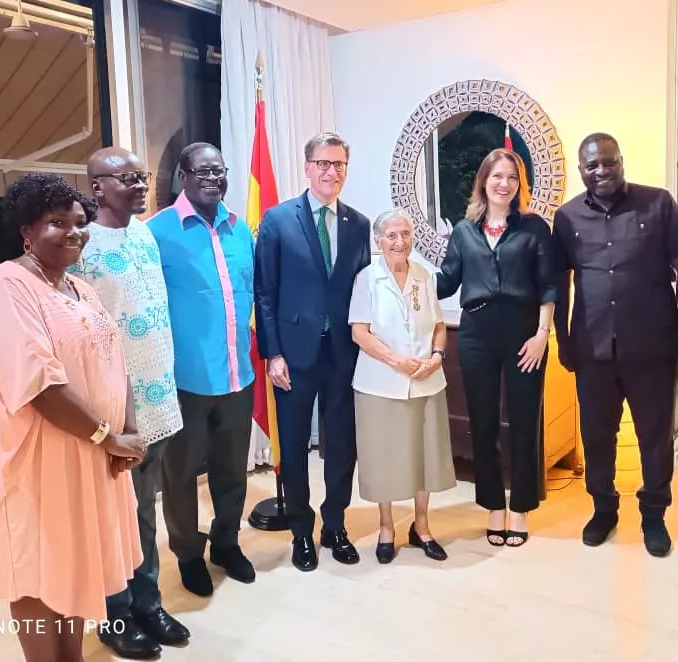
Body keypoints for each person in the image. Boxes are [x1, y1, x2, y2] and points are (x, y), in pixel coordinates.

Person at [0, 173, 145, 662]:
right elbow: (39, 383)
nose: (73, 232)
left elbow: (115, 361)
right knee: (38, 568)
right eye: (56, 223)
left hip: (91, 455)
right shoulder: (7, 285)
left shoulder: (81, 288)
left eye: (80, 223)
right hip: (39, 458)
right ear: (27, 232)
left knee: (74, 563)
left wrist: (129, 430)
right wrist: (107, 436)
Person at [551, 132, 678, 557]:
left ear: (621, 161)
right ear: (581, 171)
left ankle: (654, 514)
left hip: (652, 346)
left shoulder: (659, 203)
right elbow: (561, 284)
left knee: (654, 435)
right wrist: (563, 338)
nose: (601, 172)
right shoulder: (567, 217)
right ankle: (604, 509)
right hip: (592, 347)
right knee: (597, 435)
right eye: (591, 166)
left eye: (608, 162)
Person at [70, 148, 188, 658]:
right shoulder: (80, 246)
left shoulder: (144, 233)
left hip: (159, 397)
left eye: (143, 177)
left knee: (145, 509)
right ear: (96, 187)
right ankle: (114, 615)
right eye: (127, 178)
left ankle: (148, 601)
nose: (141, 185)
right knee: (112, 514)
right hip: (115, 407)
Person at [255, 131, 371, 572]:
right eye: (323, 164)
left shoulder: (358, 224)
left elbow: (361, 292)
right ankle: (301, 531)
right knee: (296, 445)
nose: (331, 172)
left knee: (342, 445)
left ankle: (335, 525)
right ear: (307, 168)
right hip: (294, 356)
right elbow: (265, 293)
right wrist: (273, 354)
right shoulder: (278, 219)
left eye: (339, 165)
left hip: (343, 354)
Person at [147, 142, 257, 596]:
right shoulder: (157, 233)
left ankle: (226, 543)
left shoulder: (240, 230)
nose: (213, 178)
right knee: (180, 474)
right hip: (185, 381)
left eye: (219, 170)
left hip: (237, 375)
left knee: (233, 469)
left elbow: (252, 295)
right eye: (203, 171)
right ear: (183, 176)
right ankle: (188, 553)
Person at [436, 148, 557, 547]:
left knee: (524, 423)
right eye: (496, 176)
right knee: (483, 424)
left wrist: (542, 335)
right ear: (483, 182)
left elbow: (549, 285)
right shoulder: (464, 231)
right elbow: (446, 281)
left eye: (511, 177)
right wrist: (400, 273)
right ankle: (493, 506)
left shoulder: (534, 228)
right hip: (476, 334)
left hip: (525, 333)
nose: (503, 184)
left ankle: (520, 507)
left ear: (519, 185)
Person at [349, 209, 456, 564]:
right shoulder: (367, 279)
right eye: (392, 236)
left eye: (406, 234)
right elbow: (359, 332)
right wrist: (397, 361)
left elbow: (439, 326)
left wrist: (437, 357)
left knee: (424, 455)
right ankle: (385, 528)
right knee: (385, 457)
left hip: (427, 381)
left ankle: (422, 527)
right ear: (378, 242)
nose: (400, 242)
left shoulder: (424, 276)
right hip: (380, 383)